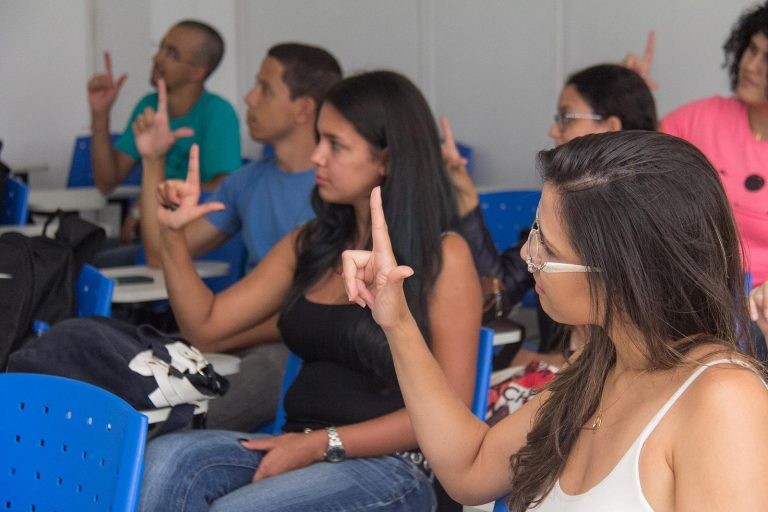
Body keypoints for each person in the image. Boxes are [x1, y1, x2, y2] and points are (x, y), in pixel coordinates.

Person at [346, 130, 768, 511]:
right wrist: (397, 320)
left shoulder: (723, 400)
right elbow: (469, 469)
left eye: (547, 246)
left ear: (619, 273)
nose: (529, 256)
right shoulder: (600, 369)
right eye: (534, 232)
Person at [138, 70, 481, 511]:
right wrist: (172, 238)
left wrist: (323, 443)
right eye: (319, 139)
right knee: (165, 460)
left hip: (397, 467)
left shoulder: (443, 255)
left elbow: (452, 412)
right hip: (299, 445)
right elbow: (206, 327)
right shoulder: (313, 242)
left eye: (335, 145)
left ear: (387, 160)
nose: (317, 156)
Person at [134, 42, 342, 431]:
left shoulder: (337, 193)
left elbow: (309, 319)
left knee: (189, 416)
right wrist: (152, 160)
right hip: (233, 331)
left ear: (303, 109)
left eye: (265, 88)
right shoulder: (246, 181)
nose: (249, 98)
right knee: (137, 362)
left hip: (293, 346)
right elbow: (157, 254)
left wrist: (218, 337)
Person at [447, 64, 657, 354]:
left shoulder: (653, 228)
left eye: (565, 117)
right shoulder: (561, 208)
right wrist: (466, 200)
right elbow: (501, 289)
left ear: (610, 127)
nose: (553, 129)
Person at [627, 5, 768, 289]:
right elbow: (628, 167)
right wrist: (628, 96)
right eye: (751, 50)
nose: (750, 66)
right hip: (690, 292)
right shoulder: (699, 118)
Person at [87, 19, 241, 251]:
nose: (157, 58)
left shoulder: (219, 113)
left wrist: (151, 202)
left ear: (197, 72)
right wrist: (100, 116)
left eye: (171, 53)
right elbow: (106, 182)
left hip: (196, 242)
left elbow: (225, 188)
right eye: (160, 48)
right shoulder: (147, 106)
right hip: (148, 234)